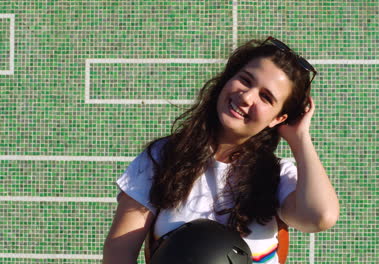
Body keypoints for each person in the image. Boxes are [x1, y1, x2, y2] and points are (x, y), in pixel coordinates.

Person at [102, 36, 340, 264]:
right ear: (227, 78)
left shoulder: (277, 177)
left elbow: (321, 217)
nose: (246, 97)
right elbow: (118, 252)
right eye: (245, 80)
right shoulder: (164, 157)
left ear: (278, 118)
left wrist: (300, 139)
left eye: (266, 97)